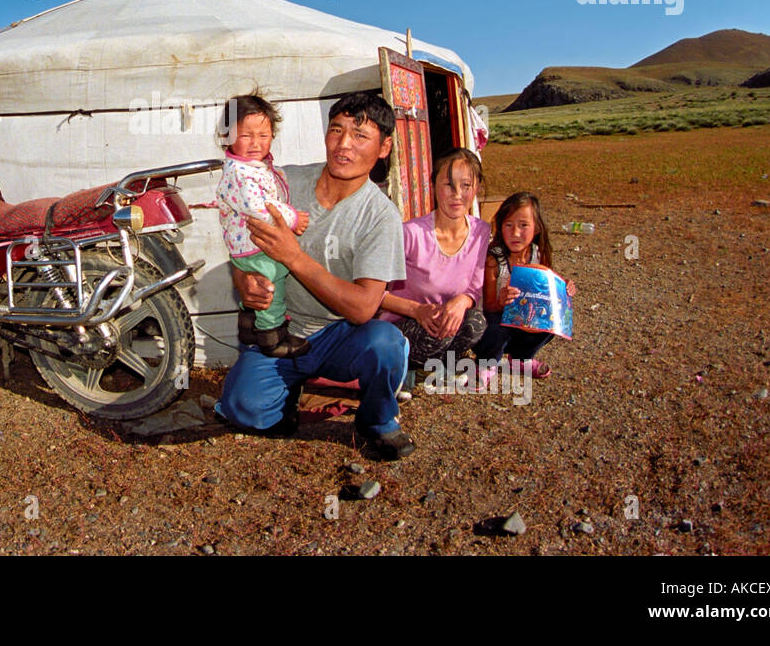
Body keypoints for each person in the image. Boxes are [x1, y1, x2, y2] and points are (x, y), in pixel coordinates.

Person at [215, 92, 415, 461]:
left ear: (384, 147)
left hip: (342, 334)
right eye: (336, 130)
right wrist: (244, 282)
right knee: (244, 408)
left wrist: (293, 257)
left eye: (360, 135)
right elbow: (242, 242)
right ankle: (288, 393)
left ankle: (377, 420)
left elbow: (362, 308)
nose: (343, 145)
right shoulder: (282, 183)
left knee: (387, 344)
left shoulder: (380, 216)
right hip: (283, 330)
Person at [378, 148, 491, 372]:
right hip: (404, 322)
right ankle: (403, 364)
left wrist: (463, 301)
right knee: (439, 332)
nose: (457, 194)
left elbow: (475, 288)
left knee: (476, 324)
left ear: (476, 188)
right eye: (448, 184)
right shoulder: (410, 234)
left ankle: (436, 364)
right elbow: (374, 293)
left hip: (442, 320)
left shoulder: (481, 231)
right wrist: (417, 310)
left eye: (466, 185)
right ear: (434, 186)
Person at [215, 94, 311, 358]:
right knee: (271, 287)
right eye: (246, 136)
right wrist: (292, 218)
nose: (256, 143)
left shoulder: (253, 166)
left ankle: (249, 331)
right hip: (255, 246)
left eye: (264, 135)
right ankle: (273, 338)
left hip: (249, 246)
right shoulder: (240, 173)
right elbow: (260, 209)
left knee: (255, 290)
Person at [471, 192, 575, 385]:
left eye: (523, 225)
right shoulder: (495, 260)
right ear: (500, 227)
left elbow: (545, 290)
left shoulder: (537, 253)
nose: (515, 233)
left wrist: (563, 288)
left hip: (523, 320)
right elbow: (488, 306)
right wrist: (502, 302)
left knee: (548, 322)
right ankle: (486, 363)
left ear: (536, 228)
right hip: (495, 321)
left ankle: (520, 359)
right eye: (508, 225)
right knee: (497, 328)